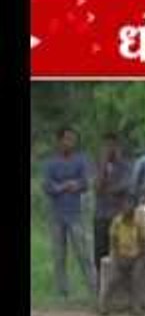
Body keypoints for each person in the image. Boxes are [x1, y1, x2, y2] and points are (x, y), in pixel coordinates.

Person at [41, 126, 97, 301]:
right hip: (57, 214)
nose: (70, 143)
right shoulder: (51, 163)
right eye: (67, 139)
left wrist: (73, 185)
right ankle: (62, 291)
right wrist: (65, 186)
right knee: (59, 254)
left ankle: (94, 288)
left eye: (73, 139)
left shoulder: (81, 160)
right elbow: (47, 186)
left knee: (84, 253)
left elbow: (85, 182)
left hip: (76, 214)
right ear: (59, 141)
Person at [99, 193, 145, 316]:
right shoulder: (117, 222)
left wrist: (139, 257)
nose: (128, 208)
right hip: (120, 255)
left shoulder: (138, 222)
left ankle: (136, 305)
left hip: (135, 256)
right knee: (113, 278)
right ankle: (104, 304)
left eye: (131, 205)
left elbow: (143, 242)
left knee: (137, 276)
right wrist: (117, 257)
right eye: (126, 205)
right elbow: (113, 242)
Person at [93, 132, 133, 276]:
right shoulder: (98, 165)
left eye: (112, 145)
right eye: (106, 145)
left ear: (118, 146)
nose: (109, 149)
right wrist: (103, 165)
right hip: (101, 215)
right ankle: (100, 287)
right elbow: (97, 188)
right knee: (100, 253)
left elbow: (124, 187)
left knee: (121, 252)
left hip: (119, 216)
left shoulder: (127, 166)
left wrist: (108, 189)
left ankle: (121, 287)